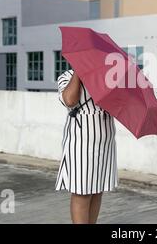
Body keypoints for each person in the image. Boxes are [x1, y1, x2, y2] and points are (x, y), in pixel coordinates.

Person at [55, 68, 118, 224]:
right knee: (82, 191)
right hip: (81, 141)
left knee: (97, 190)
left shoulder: (106, 76)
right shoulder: (67, 76)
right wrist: (79, 71)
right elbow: (69, 100)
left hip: (105, 139)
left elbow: (118, 104)